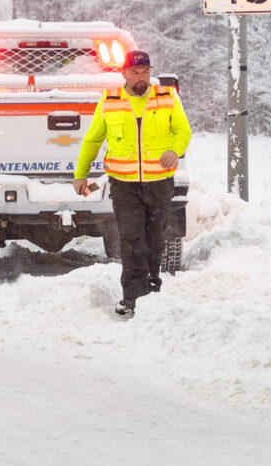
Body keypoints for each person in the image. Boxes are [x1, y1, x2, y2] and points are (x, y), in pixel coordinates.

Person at [73, 49, 190, 317]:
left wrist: (175, 149)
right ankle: (133, 297)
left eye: (145, 72)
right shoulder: (110, 100)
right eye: (135, 72)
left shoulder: (167, 97)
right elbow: (93, 139)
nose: (141, 77)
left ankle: (152, 289)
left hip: (160, 183)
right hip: (124, 185)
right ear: (124, 73)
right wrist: (81, 175)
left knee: (154, 239)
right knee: (131, 239)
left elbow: (183, 130)